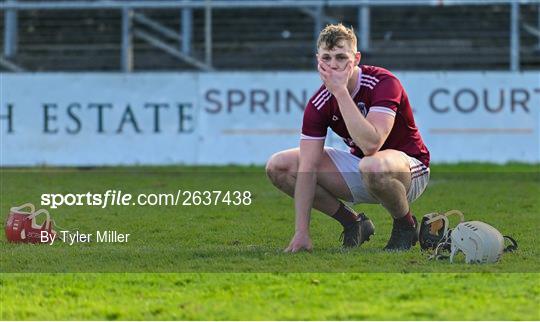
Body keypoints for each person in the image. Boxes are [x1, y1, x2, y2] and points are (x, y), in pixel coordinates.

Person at [266, 23, 430, 253]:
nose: (333, 65)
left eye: (341, 57)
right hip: (365, 167)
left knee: (372, 164)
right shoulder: (319, 103)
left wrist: (341, 92)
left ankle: (405, 226)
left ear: (356, 58)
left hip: (408, 170)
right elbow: (308, 167)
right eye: (327, 57)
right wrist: (301, 232)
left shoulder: (383, 83)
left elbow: (371, 144)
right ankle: (354, 223)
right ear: (317, 60)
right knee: (279, 166)